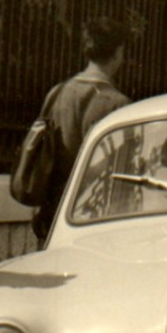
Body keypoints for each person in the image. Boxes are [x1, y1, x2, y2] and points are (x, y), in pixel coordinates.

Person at [32, 17, 132, 242]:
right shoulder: (118, 105)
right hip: (94, 216)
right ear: (117, 53)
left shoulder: (57, 94)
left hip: (53, 213)